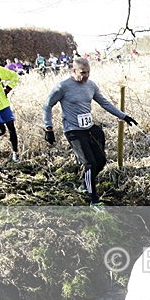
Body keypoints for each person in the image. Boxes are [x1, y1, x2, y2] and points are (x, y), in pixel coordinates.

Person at [42, 57, 137, 208]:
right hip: (73, 130)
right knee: (90, 163)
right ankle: (93, 199)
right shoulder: (62, 87)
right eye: (82, 72)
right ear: (74, 71)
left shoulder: (91, 85)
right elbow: (47, 105)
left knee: (101, 161)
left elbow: (104, 103)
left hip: (89, 128)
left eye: (88, 72)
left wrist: (123, 116)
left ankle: (84, 185)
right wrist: (48, 128)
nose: (86, 76)